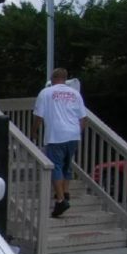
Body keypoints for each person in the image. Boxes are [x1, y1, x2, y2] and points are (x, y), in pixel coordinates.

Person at [32, 67, 87, 217]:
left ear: (53, 78)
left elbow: (38, 116)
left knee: (55, 166)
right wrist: (78, 132)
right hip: (73, 134)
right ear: (65, 79)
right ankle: (66, 192)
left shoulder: (46, 93)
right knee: (66, 165)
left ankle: (61, 200)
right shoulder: (75, 93)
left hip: (56, 135)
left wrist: (34, 131)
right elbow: (83, 118)